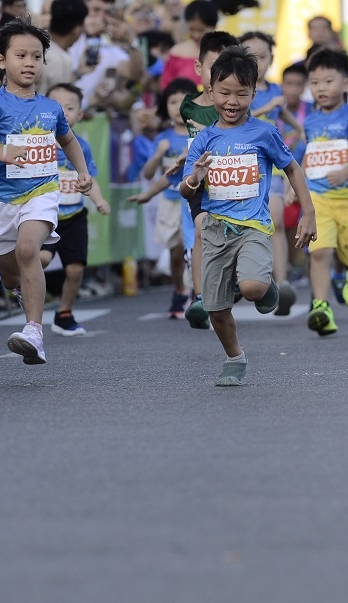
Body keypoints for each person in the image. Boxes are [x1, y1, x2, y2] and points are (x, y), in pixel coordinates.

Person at [0, 19, 92, 364]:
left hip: (42, 193)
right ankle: (23, 288)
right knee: (10, 274)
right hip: (1, 200)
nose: (29, 62)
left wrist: (83, 172)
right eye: (21, 55)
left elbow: (69, 140)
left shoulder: (50, 107)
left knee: (28, 248)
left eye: (36, 56)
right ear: (1, 60)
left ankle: (34, 331)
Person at [180, 46, 317, 386]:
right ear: (210, 92)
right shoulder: (204, 140)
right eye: (224, 92)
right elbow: (185, 190)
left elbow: (293, 169)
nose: (232, 101)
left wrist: (308, 211)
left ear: (254, 93)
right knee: (216, 309)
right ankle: (234, 357)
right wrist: (194, 179)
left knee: (252, 287)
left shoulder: (264, 132)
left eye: (242, 94)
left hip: (253, 225)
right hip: (214, 230)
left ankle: (263, 283)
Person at [295, 48, 348, 336]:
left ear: (345, 83)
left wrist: (345, 173)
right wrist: (296, 187)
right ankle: (321, 307)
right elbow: (308, 155)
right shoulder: (311, 120)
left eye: (328, 81)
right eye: (314, 83)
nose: (321, 88)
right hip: (319, 197)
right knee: (320, 251)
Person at [178, 30, 239, 329]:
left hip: (235, 182)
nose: (221, 78)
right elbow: (193, 143)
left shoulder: (235, 107)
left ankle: (238, 280)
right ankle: (200, 296)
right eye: (214, 70)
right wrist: (183, 158)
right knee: (202, 228)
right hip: (202, 186)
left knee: (236, 234)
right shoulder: (187, 106)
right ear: (198, 68)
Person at [41, 82, 110, 336]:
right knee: (42, 259)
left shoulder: (82, 146)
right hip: (45, 216)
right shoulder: (40, 143)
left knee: (75, 269)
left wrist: (99, 200)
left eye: (69, 108)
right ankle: (27, 298)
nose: (63, 113)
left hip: (74, 216)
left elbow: (88, 179)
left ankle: (65, 313)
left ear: (79, 115)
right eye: (57, 107)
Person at [128, 78, 199, 318]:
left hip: (192, 200)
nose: (178, 106)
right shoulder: (163, 138)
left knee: (188, 244)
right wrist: (159, 154)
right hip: (169, 199)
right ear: (164, 106)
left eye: (184, 101)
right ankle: (179, 289)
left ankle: (194, 293)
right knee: (175, 251)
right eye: (173, 101)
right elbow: (148, 174)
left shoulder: (200, 134)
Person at [241, 31, 301, 315]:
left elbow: (289, 123)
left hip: (272, 167)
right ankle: (251, 281)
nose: (258, 62)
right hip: (241, 168)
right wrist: (269, 106)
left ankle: (282, 281)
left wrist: (296, 135)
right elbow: (244, 115)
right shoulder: (237, 89)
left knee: (275, 219)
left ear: (272, 58)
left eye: (263, 56)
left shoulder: (276, 90)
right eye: (251, 56)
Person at [160, 0, 260, 90]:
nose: (196, 35)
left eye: (201, 30)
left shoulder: (227, 51)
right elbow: (166, 88)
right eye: (191, 29)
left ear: (214, 26)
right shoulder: (176, 52)